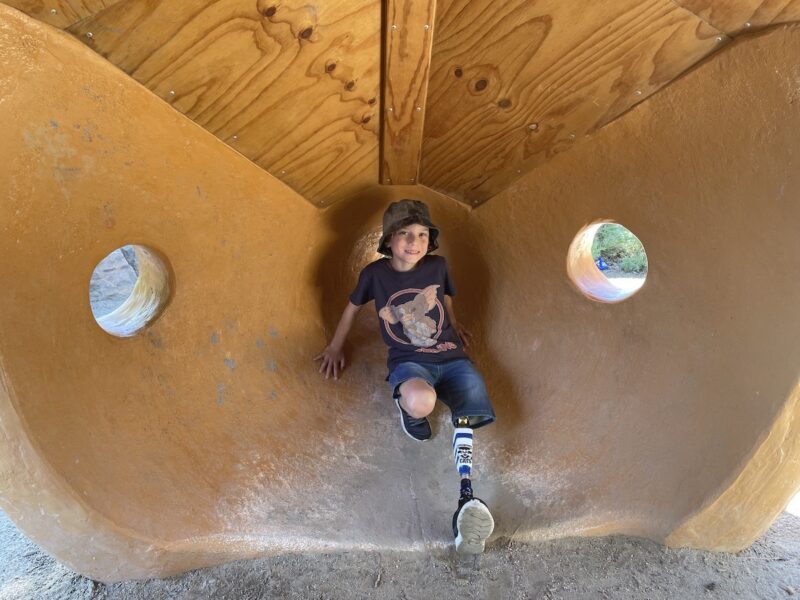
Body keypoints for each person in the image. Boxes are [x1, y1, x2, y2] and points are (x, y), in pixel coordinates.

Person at [314, 199, 496, 554]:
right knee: (422, 401)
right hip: (409, 360)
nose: (415, 242)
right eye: (405, 234)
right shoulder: (375, 275)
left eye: (423, 234)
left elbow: (445, 299)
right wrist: (335, 346)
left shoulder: (438, 266)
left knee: (470, 403)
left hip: (451, 356)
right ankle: (407, 408)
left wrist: (456, 327)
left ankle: (467, 496)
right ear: (388, 241)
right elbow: (352, 309)